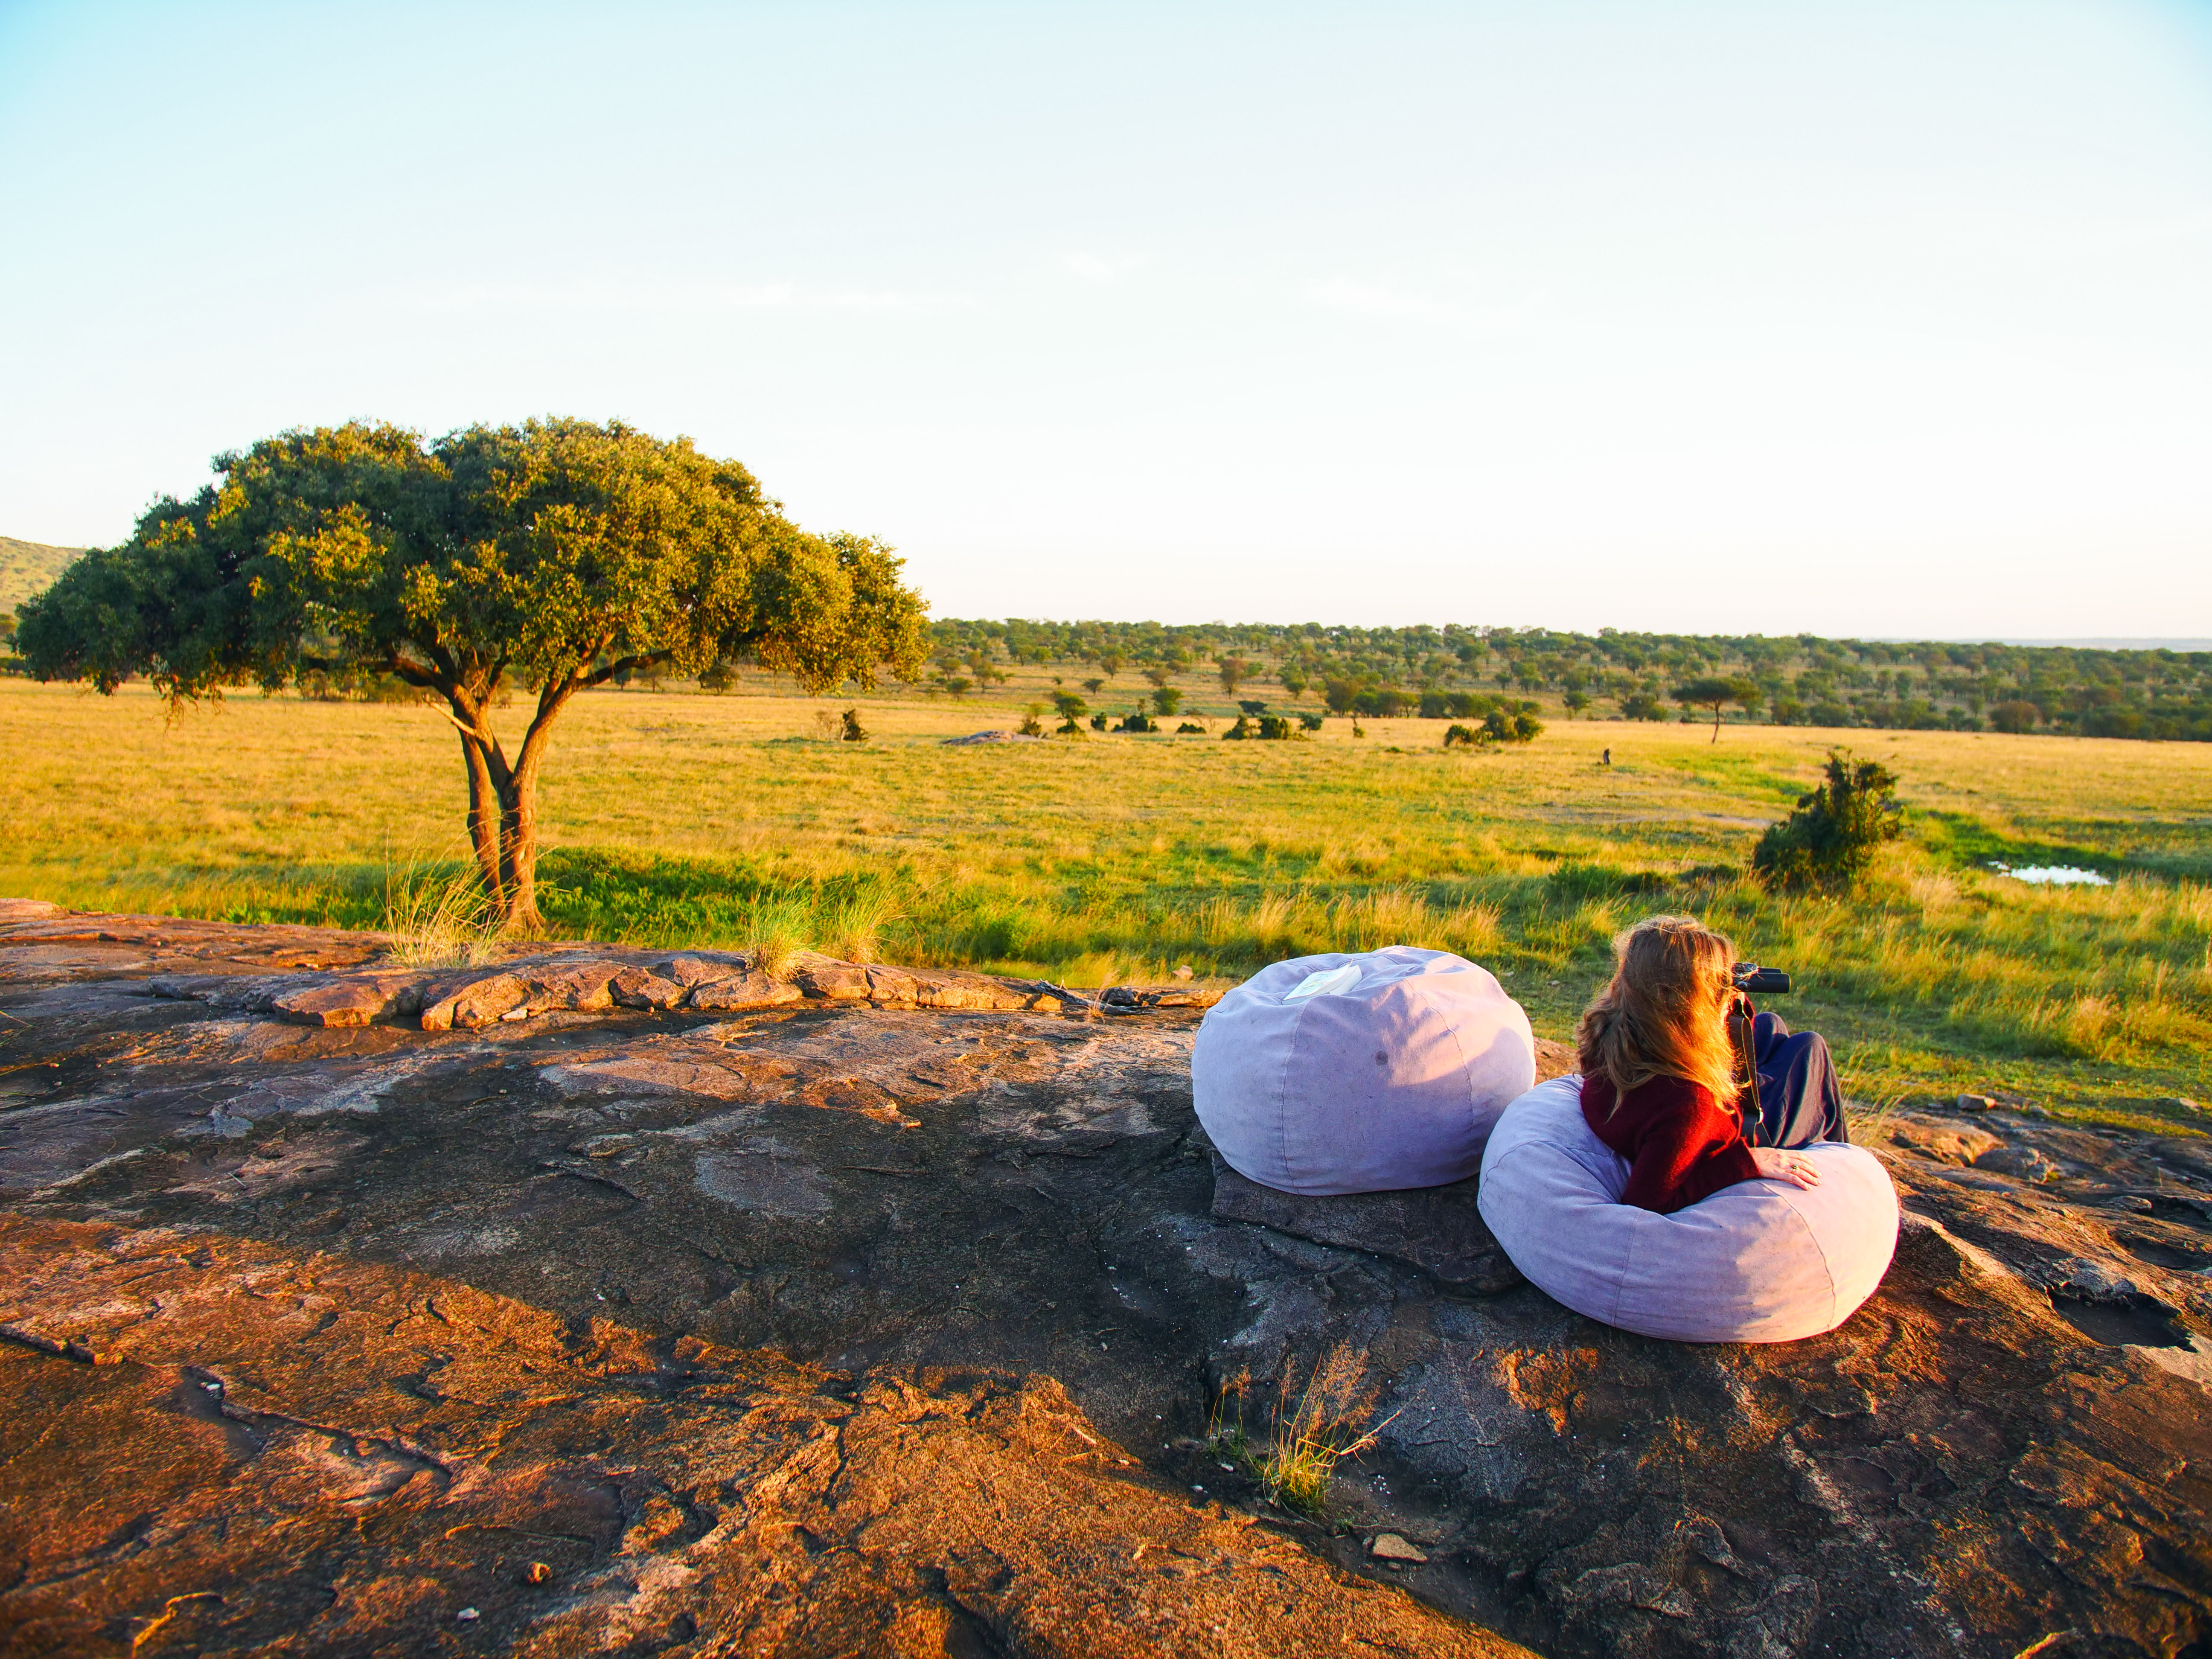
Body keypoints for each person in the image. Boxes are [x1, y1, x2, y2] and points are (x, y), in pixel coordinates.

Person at [1577, 915, 1847, 1214]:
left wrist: (1724, 1007)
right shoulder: (1690, 1106)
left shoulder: (1614, 1036)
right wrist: (1749, 1162)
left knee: (1770, 1025)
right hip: (1742, 1132)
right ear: (1691, 1005)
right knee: (1810, 1049)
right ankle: (1844, 1167)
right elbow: (1647, 1203)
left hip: (1673, 1091)